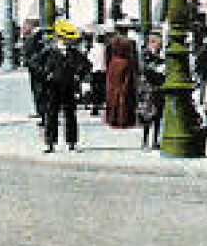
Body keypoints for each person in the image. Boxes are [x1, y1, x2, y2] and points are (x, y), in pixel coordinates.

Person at [40, 21, 91, 153]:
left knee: (70, 114)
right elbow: (35, 63)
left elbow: (86, 65)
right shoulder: (49, 52)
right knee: (51, 114)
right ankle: (50, 142)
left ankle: (72, 142)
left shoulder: (74, 53)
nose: (69, 41)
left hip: (69, 86)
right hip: (52, 87)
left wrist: (79, 75)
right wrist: (47, 74)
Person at [103, 23, 139, 128]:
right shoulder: (131, 42)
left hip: (113, 67)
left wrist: (109, 67)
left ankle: (113, 119)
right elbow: (134, 57)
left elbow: (107, 57)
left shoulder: (111, 42)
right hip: (126, 66)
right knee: (125, 92)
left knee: (112, 93)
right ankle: (124, 119)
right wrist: (135, 70)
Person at [137, 31, 166, 150]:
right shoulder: (145, 54)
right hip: (148, 88)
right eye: (159, 43)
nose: (160, 46)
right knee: (147, 115)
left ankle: (155, 141)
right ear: (152, 42)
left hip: (158, 87)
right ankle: (145, 141)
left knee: (158, 115)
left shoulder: (159, 56)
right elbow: (144, 69)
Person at [86, 29, 108, 115]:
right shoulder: (106, 48)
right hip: (103, 71)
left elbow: (89, 60)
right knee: (102, 89)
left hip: (95, 71)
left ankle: (95, 108)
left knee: (95, 90)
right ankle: (101, 106)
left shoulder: (93, 49)